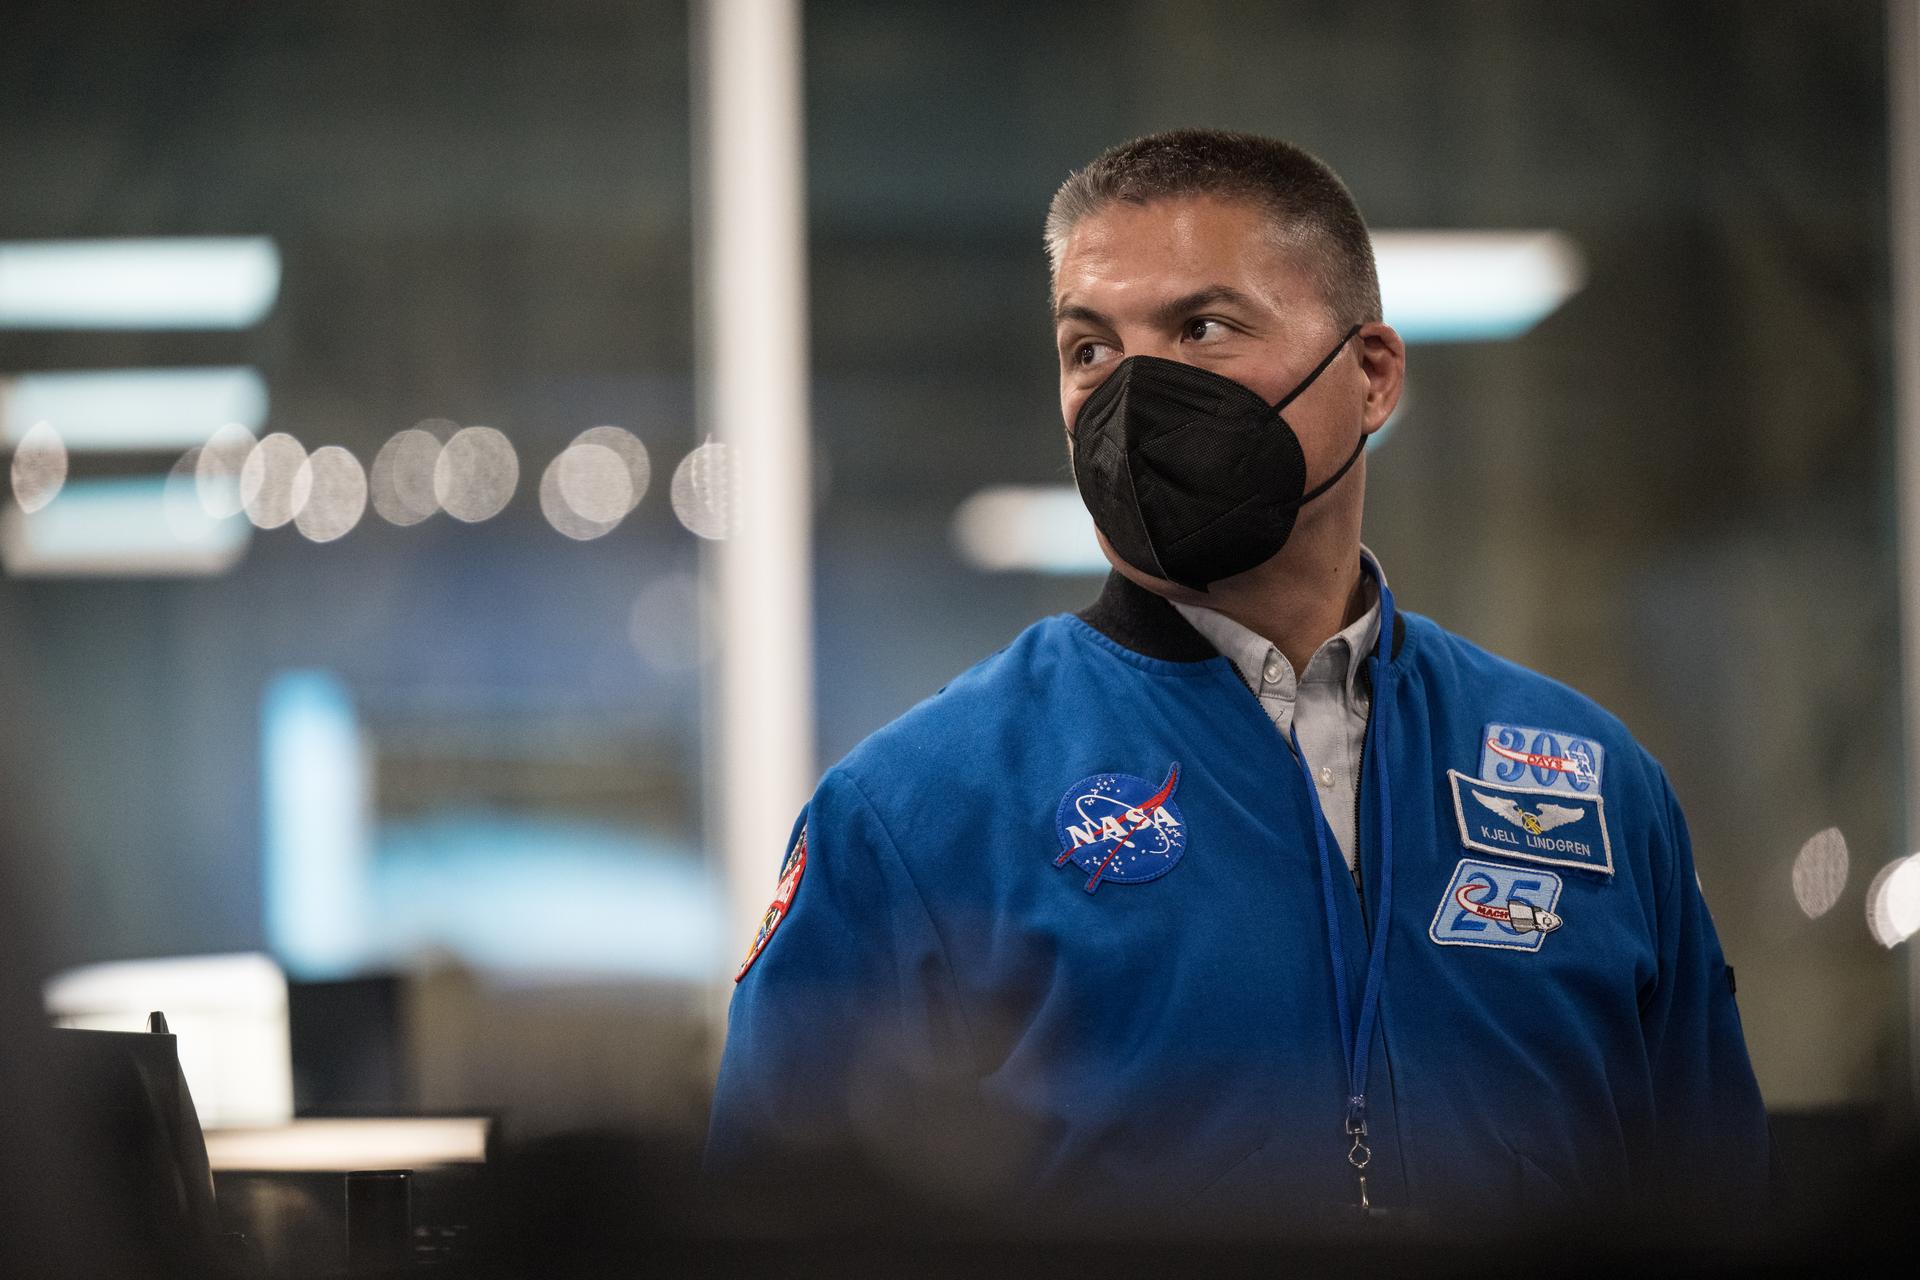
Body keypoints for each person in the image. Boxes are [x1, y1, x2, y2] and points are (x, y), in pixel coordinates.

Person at [706, 129, 1768, 1232]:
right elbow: (765, 1230)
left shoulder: (1592, 783)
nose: (1131, 392)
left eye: (1201, 328)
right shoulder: (912, 814)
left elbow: (1723, 1207)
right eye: (1088, 349)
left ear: (1371, 376)